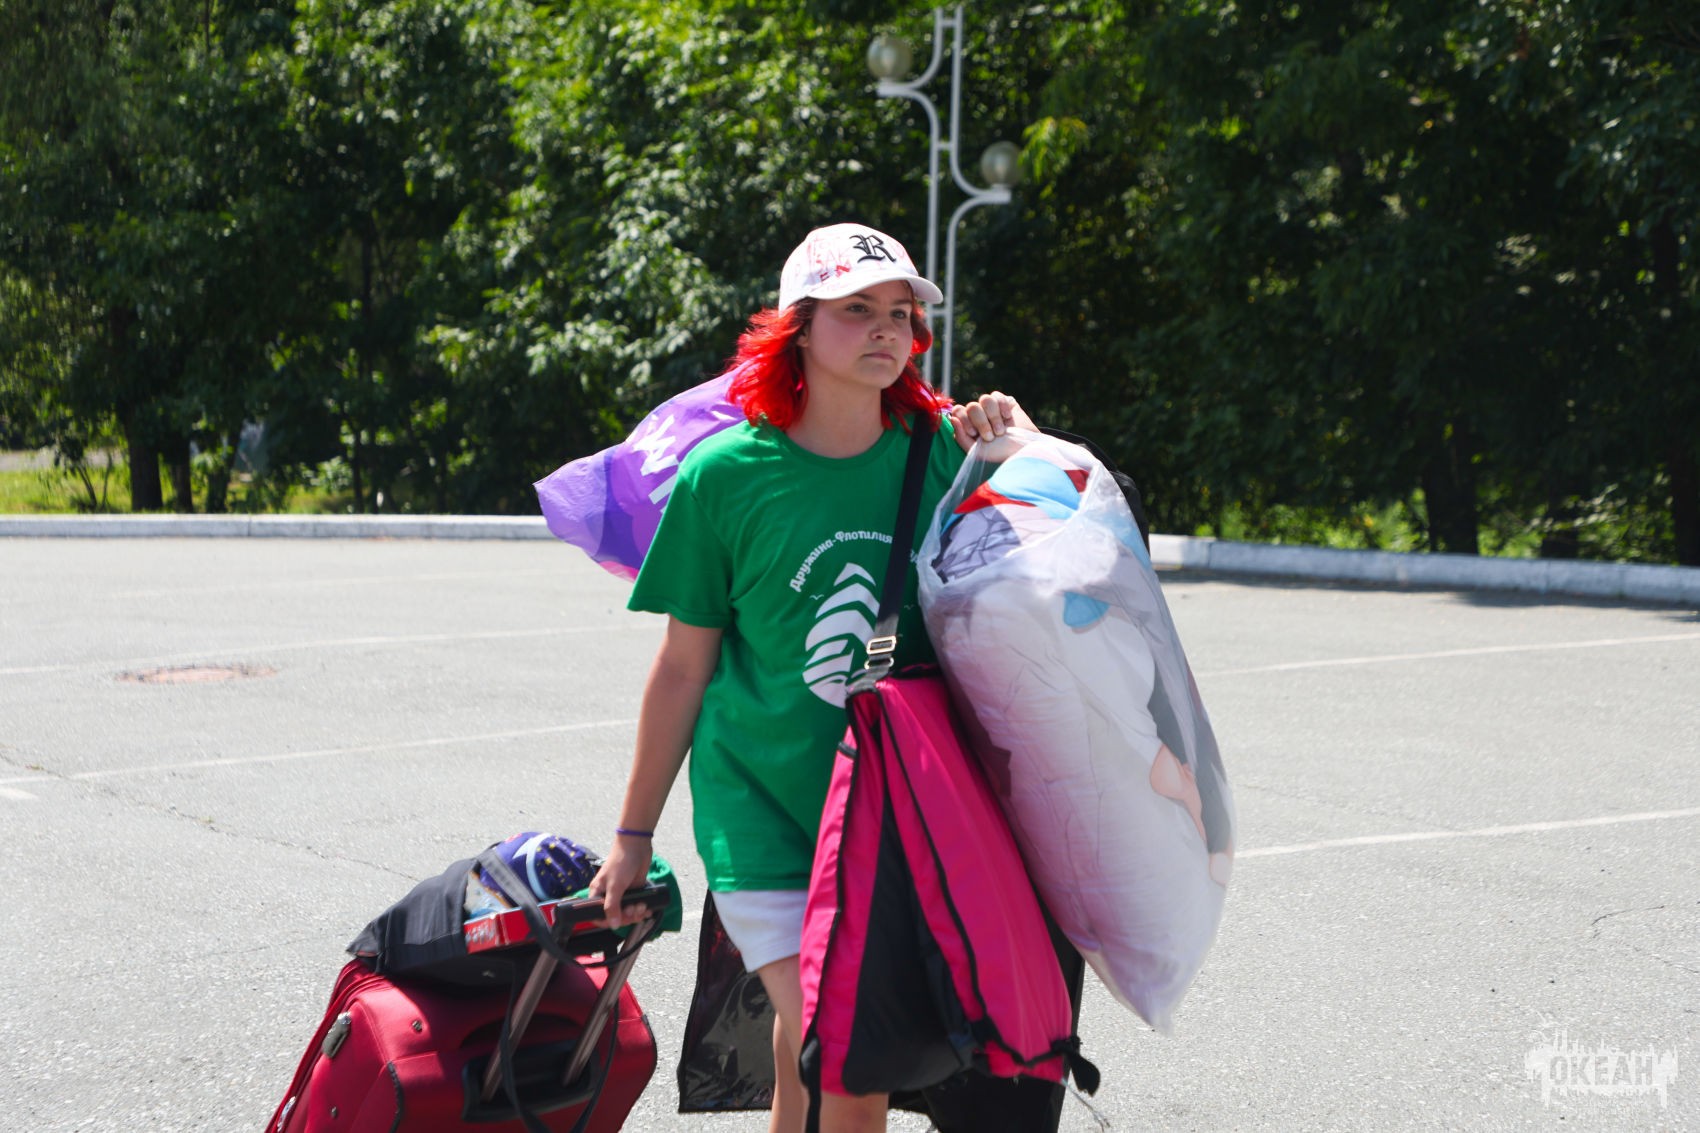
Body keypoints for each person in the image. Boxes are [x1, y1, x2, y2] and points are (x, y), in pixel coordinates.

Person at [587, 222, 1035, 1133]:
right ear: (796, 327)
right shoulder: (724, 478)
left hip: (896, 809)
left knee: (817, 1038)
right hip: (762, 809)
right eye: (857, 309)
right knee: (846, 1050)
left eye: (901, 313)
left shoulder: (944, 452)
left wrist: (1019, 440)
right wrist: (633, 834)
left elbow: (1050, 573)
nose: (887, 329)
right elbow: (682, 667)